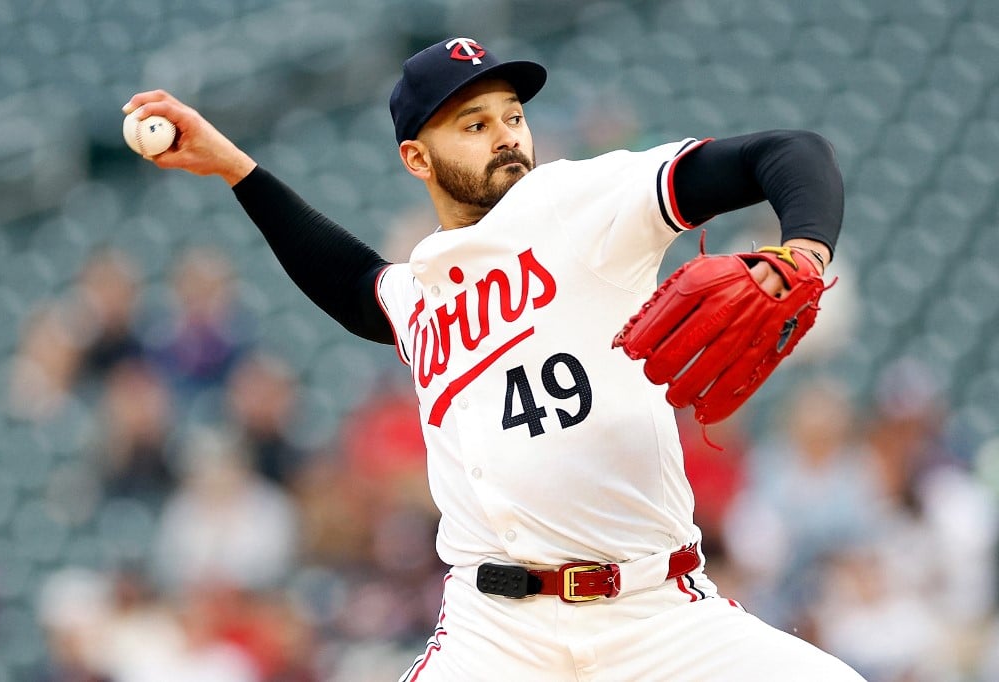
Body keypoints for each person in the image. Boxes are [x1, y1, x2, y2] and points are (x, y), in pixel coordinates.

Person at [124, 36, 863, 681]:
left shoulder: (584, 203)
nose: (506, 136)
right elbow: (354, 286)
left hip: (654, 614)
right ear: (416, 157)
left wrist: (802, 249)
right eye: (473, 124)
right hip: (495, 634)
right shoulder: (423, 290)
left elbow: (789, 152)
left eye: (513, 115)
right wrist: (233, 168)